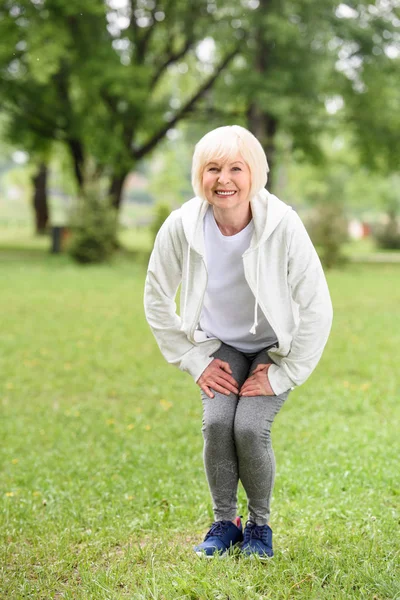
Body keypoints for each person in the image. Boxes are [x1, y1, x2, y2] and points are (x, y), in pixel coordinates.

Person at [144, 125, 333, 559]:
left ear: (254, 174)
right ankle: (225, 523)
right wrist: (192, 358)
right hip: (219, 346)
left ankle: (259, 528)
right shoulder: (182, 226)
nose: (224, 179)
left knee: (249, 427)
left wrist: (284, 372)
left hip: (273, 348)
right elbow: (156, 296)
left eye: (235, 168)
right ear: (200, 175)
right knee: (215, 424)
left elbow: (318, 306)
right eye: (213, 169)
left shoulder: (282, 224)